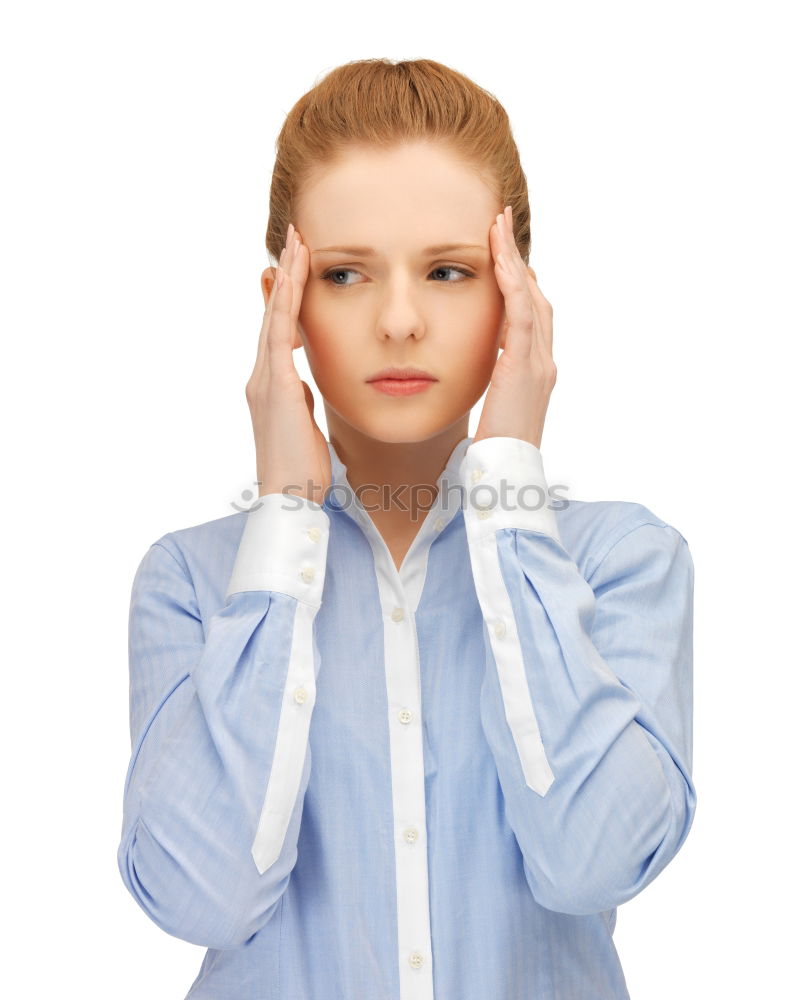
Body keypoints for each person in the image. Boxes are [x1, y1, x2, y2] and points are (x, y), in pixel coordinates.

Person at [116, 58, 696, 1000]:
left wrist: (511, 473)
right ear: (284, 303)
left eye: (448, 272)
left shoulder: (622, 564)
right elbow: (201, 899)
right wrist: (284, 521)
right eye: (344, 273)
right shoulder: (193, 580)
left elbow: (593, 863)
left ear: (516, 299)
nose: (397, 320)